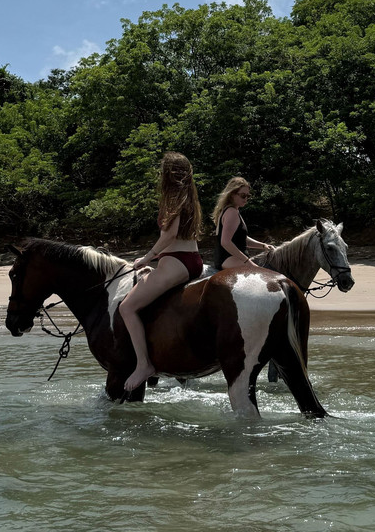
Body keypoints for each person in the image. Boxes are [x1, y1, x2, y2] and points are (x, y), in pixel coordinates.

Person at [118, 151, 204, 392]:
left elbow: (170, 234)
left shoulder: (174, 197)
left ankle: (144, 364)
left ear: (168, 174)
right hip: (189, 259)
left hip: (177, 261)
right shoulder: (189, 196)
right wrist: (155, 262)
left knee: (127, 307)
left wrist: (147, 257)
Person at [212, 176, 275, 269]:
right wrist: (247, 261)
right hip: (228, 259)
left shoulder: (232, 211)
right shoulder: (231, 212)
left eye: (248, 196)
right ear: (232, 194)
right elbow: (225, 242)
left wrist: (263, 246)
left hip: (229, 259)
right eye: (243, 195)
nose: (246, 199)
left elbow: (241, 239)